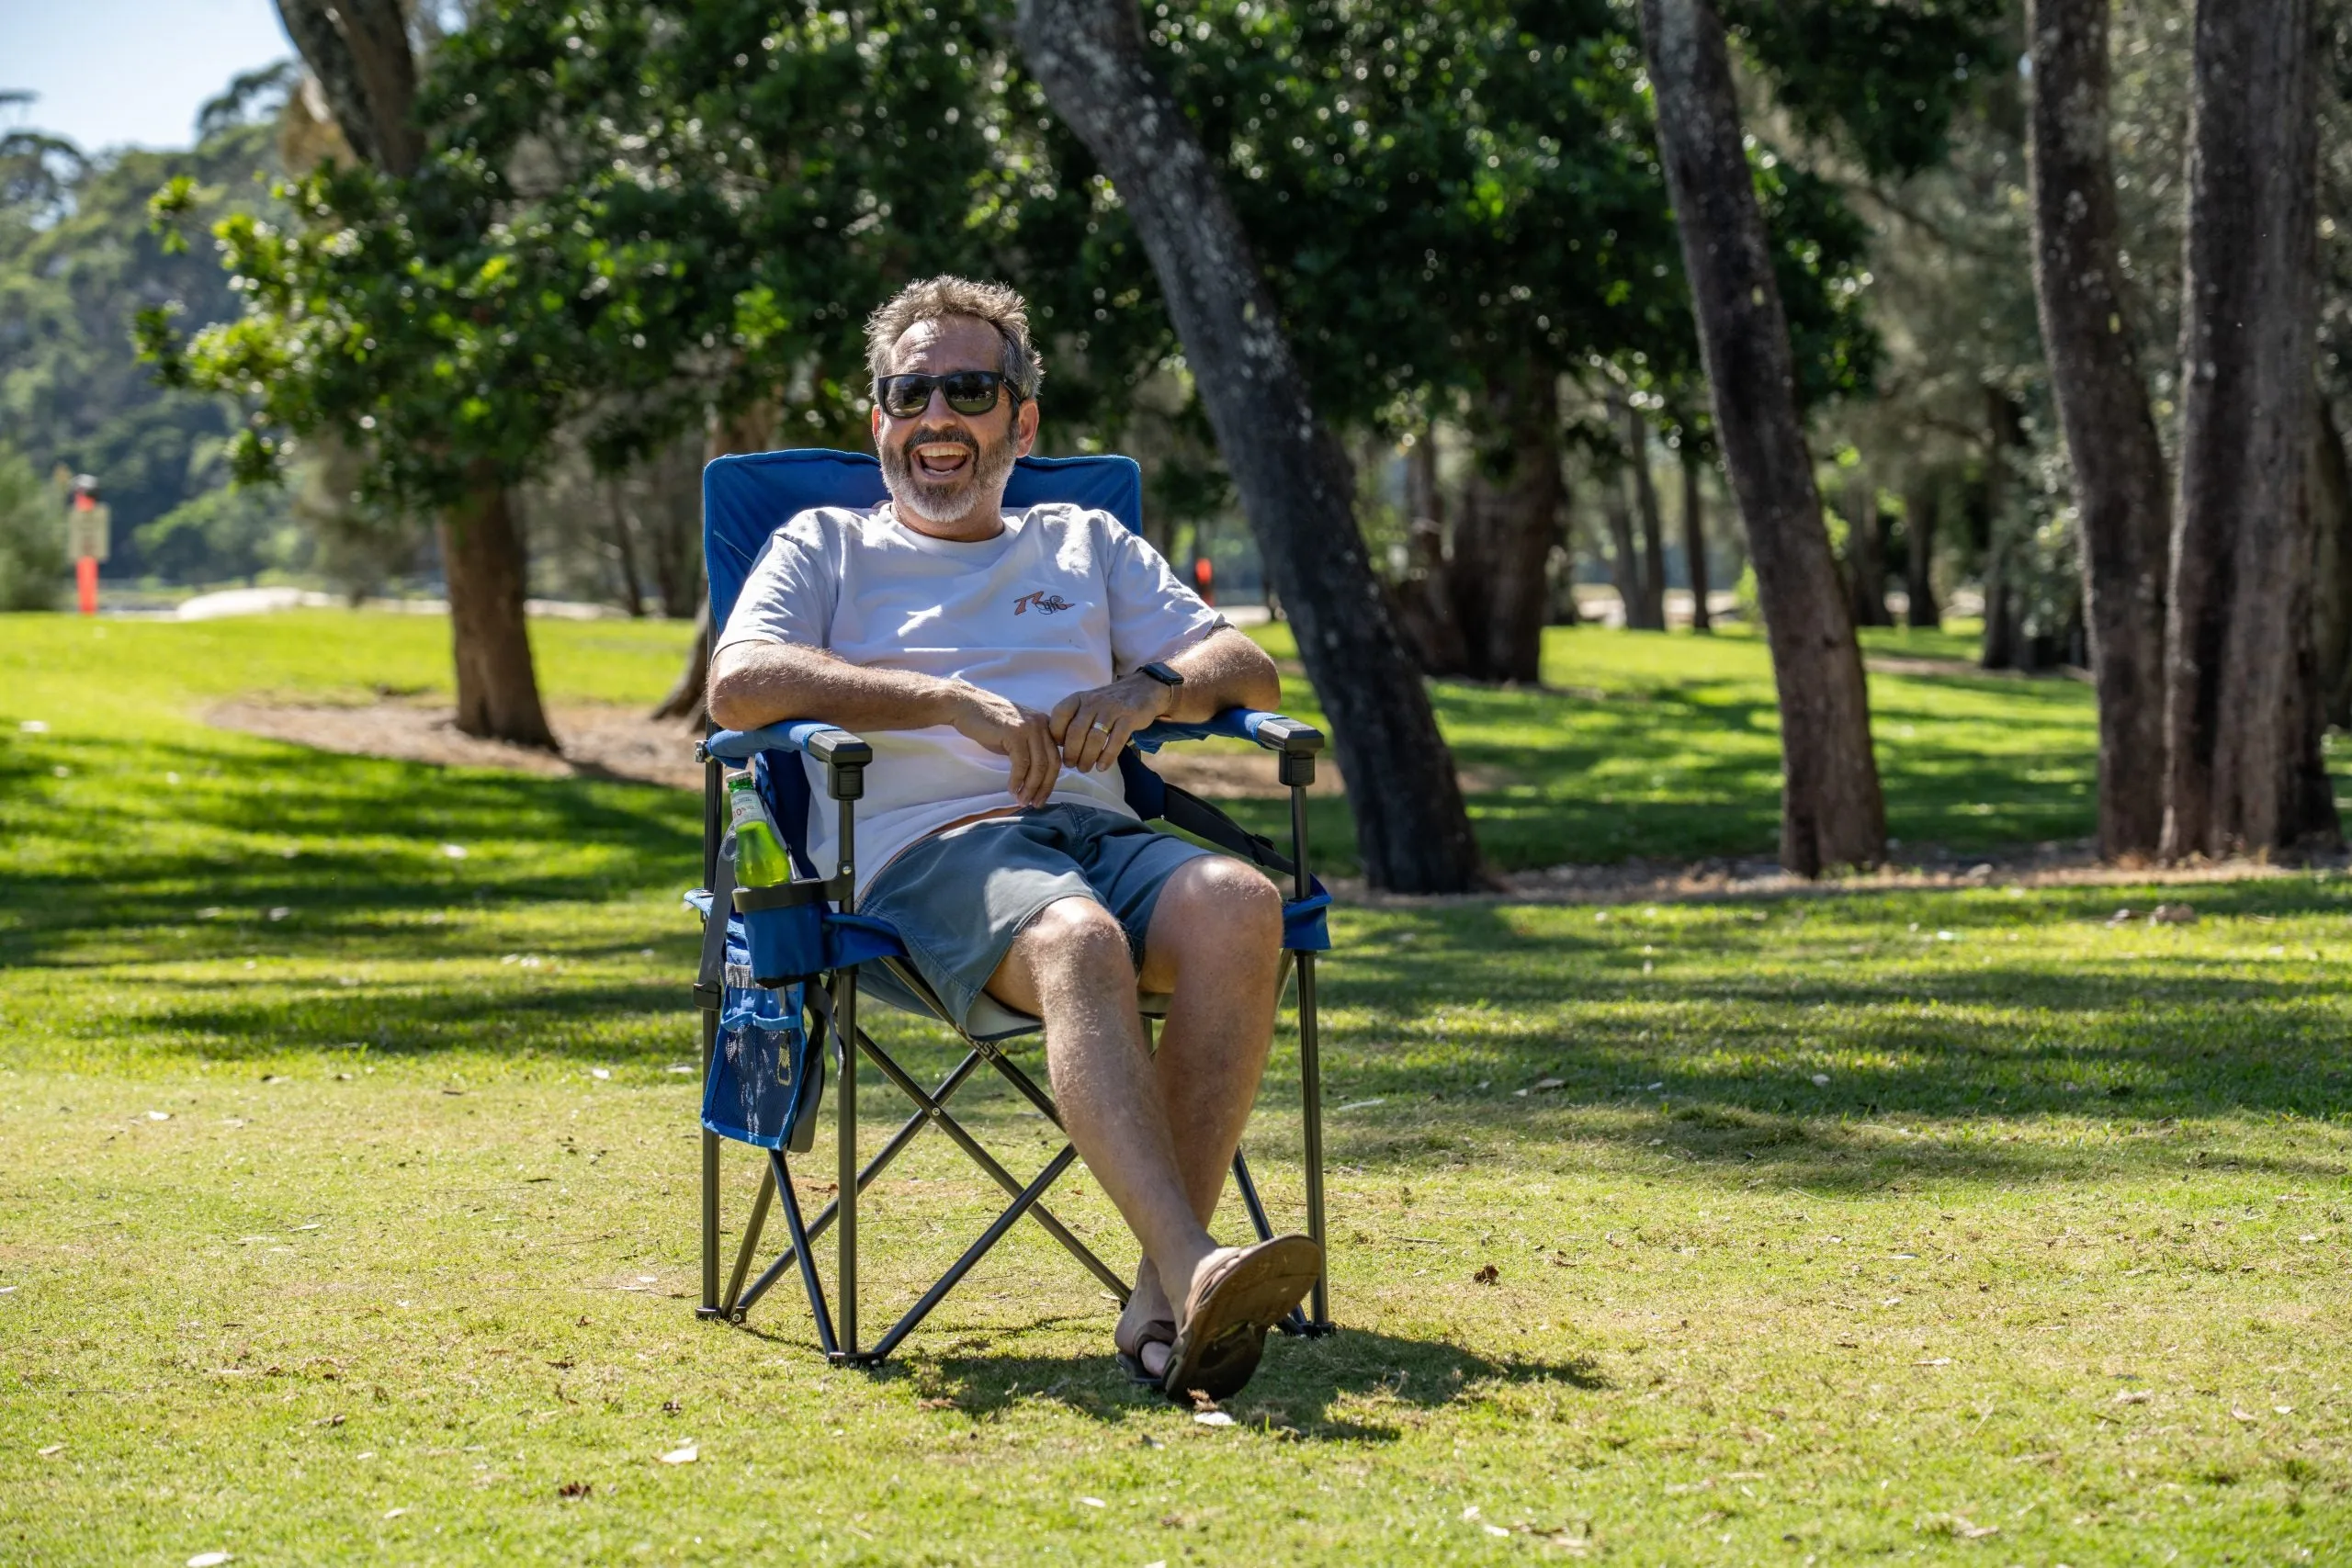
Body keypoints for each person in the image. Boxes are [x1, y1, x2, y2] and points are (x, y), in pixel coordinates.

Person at [707, 276, 1320, 1399]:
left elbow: (1247, 668)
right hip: (926, 857)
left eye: (969, 389)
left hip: (1096, 828)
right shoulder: (826, 546)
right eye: (910, 393)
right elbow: (739, 683)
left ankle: (1161, 1297)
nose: (937, 416)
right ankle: (1197, 1268)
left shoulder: (1081, 540)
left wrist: (1145, 690)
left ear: (1021, 419)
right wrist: (940, 699)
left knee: (1241, 902)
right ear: (877, 418)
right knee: (1075, 942)